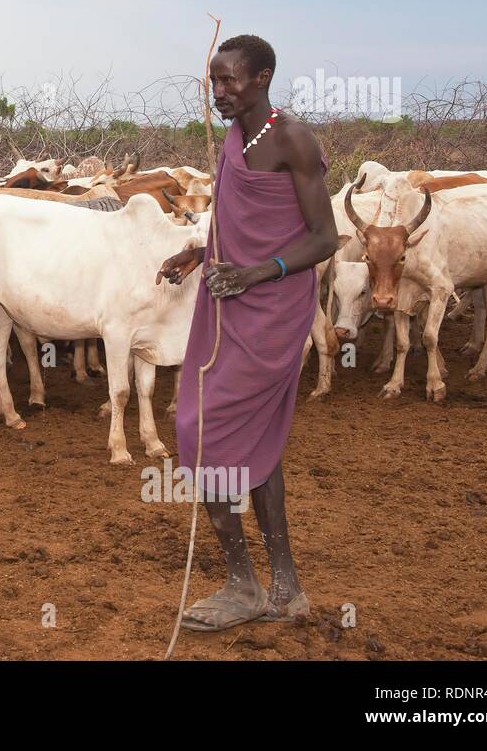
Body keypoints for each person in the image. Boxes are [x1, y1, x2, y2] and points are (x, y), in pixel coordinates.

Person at [157, 34, 338, 631]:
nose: (220, 93)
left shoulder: (293, 138)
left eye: (231, 81)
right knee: (254, 440)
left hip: (273, 306)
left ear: (262, 78)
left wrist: (255, 273)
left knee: (198, 427)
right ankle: (282, 587)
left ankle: (243, 583)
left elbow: (323, 239)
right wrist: (197, 249)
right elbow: (237, 220)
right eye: (214, 82)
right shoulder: (237, 137)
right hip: (226, 296)